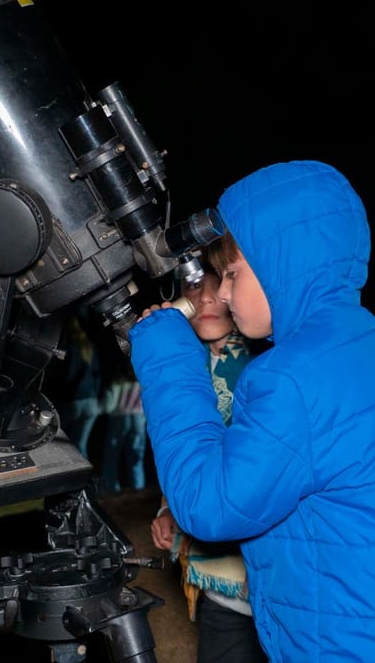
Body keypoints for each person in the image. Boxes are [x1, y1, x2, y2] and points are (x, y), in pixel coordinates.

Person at [129, 160, 375, 662]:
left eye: (230, 273)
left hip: (368, 643)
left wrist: (169, 360)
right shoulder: (372, 344)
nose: (222, 294)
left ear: (281, 262)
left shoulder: (292, 377)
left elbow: (210, 503)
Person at [149, 264, 268, 663]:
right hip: (222, 591)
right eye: (193, 285)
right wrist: (170, 508)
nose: (205, 298)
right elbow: (185, 451)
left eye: (222, 282)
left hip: (277, 583)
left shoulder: (273, 365)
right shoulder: (185, 365)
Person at [49, 312, 103, 459]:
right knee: (81, 445)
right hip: (92, 402)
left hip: (73, 401)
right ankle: (85, 480)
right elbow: (98, 375)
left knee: (61, 445)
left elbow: (69, 376)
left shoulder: (70, 348)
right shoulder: (90, 347)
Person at [99, 359, 146, 493]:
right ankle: (138, 487)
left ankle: (111, 487)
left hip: (119, 419)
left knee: (112, 455)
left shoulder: (117, 383)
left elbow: (108, 406)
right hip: (138, 419)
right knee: (136, 456)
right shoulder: (142, 383)